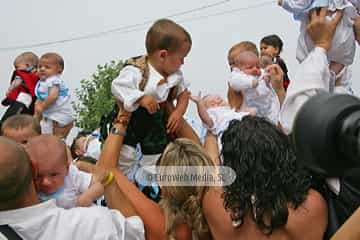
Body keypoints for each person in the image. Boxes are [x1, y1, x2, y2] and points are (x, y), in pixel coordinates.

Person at [96, 104, 212, 240]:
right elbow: (198, 153)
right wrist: (168, 104)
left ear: (162, 182)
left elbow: (106, 169)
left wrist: (124, 115)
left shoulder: (161, 225)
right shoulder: (219, 216)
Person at [202, 116, 328, 239]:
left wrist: (211, 129)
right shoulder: (310, 207)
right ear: (284, 158)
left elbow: (213, 169)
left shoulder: (214, 205)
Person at [0, 137, 144, 240]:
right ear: (33, 168)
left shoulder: (72, 178)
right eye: (40, 176)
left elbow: (94, 185)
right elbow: (136, 232)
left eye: (54, 174)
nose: (46, 182)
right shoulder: (94, 223)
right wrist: (109, 180)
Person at [110, 18, 192, 177]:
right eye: (182, 57)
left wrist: (178, 113)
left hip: (156, 119)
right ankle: (123, 180)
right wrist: (141, 98)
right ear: (163, 55)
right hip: (133, 116)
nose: (183, 62)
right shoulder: (137, 69)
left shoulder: (175, 75)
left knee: (156, 153)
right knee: (126, 153)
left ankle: (149, 182)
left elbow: (184, 94)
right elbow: (118, 86)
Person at [278, 0, 359, 93]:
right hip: (336, 30)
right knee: (341, 59)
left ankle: (326, 79)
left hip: (320, 30)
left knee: (311, 57)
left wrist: (284, 3)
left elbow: (299, 4)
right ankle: (328, 78)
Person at [25, 135, 106, 209]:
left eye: (53, 175)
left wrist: (86, 198)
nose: (46, 182)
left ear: (67, 169)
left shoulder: (71, 176)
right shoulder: (27, 183)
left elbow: (99, 185)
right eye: (38, 176)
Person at [228, 50, 280, 124]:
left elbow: (264, 72)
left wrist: (267, 76)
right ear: (239, 69)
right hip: (250, 108)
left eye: (257, 66)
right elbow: (234, 82)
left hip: (267, 109)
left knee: (272, 118)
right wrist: (251, 82)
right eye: (250, 67)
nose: (255, 69)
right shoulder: (238, 75)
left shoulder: (260, 73)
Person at [34, 52, 73, 138]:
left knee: (47, 136)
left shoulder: (54, 80)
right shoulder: (42, 83)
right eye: (39, 66)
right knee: (42, 130)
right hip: (51, 115)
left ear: (59, 70)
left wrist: (42, 107)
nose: (42, 69)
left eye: (47, 67)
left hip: (59, 115)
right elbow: (39, 99)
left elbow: (53, 96)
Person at [1, 52, 39, 124]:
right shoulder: (39, 74)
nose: (16, 69)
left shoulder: (21, 73)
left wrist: (10, 91)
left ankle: (4, 123)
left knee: (12, 114)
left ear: (27, 65)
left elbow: (15, 83)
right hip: (33, 101)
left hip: (23, 97)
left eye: (17, 67)